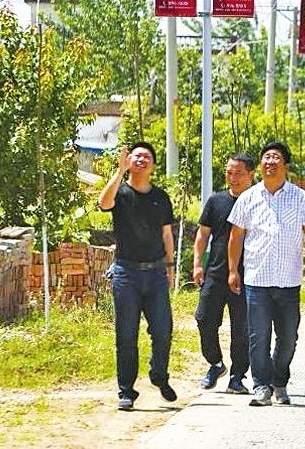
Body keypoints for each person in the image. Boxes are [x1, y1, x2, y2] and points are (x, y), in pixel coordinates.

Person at [227, 141, 305, 407]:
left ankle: (279, 380)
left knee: (288, 337)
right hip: (256, 280)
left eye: (276, 157)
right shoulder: (248, 197)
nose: (270, 162)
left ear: (285, 165)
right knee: (258, 337)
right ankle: (261, 386)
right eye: (266, 157)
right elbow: (236, 236)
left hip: (289, 281)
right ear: (260, 164)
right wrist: (232, 270)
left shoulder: (299, 197)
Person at [98, 142, 177, 411]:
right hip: (126, 273)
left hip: (155, 272)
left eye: (147, 157)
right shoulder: (120, 193)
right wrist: (119, 172)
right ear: (129, 160)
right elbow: (103, 203)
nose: (142, 160)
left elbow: (167, 234)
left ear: (153, 165)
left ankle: (159, 375)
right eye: (137, 156)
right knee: (126, 335)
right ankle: (126, 391)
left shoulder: (161, 197)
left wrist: (170, 267)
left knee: (163, 330)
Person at [192, 153, 256, 394]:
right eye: (229, 173)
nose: (233, 178)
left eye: (239, 173)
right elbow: (202, 234)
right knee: (204, 318)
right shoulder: (216, 200)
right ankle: (215, 363)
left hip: (248, 275)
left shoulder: (257, 201)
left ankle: (237, 376)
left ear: (251, 175)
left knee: (241, 328)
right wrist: (198, 264)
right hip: (216, 273)